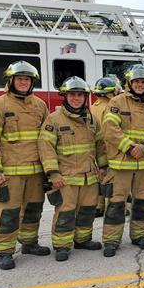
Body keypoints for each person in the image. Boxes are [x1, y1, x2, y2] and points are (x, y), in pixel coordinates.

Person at [0, 60, 50, 270]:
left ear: (32, 83)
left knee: (33, 211)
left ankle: (29, 243)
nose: (23, 82)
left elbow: (48, 139)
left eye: (27, 79)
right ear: (11, 81)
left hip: (36, 172)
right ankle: (4, 251)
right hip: (11, 173)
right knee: (10, 213)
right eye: (19, 79)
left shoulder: (40, 105)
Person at [38, 77, 107, 261]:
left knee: (88, 210)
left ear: (85, 97)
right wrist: (53, 173)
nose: (76, 98)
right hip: (65, 177)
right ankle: (62, 245)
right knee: (65, 212)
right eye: (72, 95)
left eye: (80, 95)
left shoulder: (92, 119)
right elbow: (46, 147)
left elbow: (100, 145)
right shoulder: (54, 119)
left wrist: (103, 167)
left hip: (89, 177)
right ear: (65, 96)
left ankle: (82, 240)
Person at [101, 64, 144, 257]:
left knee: (143, 203)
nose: (140, 85)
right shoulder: (117, 102)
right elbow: (109, 128)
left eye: (143, 82)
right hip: (121, 164)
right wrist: (129, 147)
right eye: (136, 81)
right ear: (129, 83)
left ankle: (139, 236)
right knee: (116, 204)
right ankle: (111, 240)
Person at [90, 75, 122, 218]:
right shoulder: (109, 108)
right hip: (108, 148)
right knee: (110, 180)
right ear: (111, 92)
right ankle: (110, 208)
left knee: (99, 177)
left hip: (94, 147)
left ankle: (98, 206)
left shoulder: (92, 107)